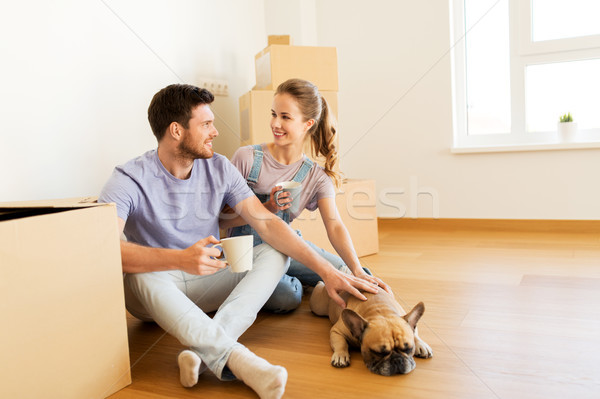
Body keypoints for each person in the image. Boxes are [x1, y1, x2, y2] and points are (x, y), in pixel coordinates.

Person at [98, 84, 378, 399]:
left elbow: (267, 223)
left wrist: (327, 271)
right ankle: (240, 361)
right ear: (176, 131)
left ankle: (206, 351)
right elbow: (104, 249)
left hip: (207, 278)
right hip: (155, 289)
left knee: (274, 251)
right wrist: (179, 259)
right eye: (206, 124)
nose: (215, 132)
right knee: (139, 274)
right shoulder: (129, 178)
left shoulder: (219, 167)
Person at [221, 78, 392, 314]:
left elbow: (335, 226)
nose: (275, 123)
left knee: (354, 275)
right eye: (274, 114)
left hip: (290, 247)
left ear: (307, 124)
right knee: (288, 297)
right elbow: (221, 219)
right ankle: (299, 281)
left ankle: (303, 275)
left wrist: (357, 267)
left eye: (285, 117)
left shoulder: (315, 176)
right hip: (245, 254)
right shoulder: (247, 158)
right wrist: (269, 206)